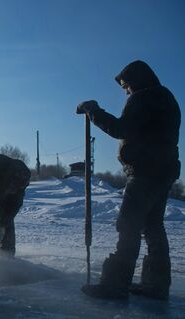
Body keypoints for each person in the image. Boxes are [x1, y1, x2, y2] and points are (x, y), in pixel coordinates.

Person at [77, 60, 180, 300]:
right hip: (163, 171)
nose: (126, 91)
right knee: (153, 225)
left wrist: (94, 111)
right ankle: (156, 284)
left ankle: (114, 284)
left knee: (129, 224)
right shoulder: (166, 97)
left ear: (137, 81)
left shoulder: (144, 97)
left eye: (126, 86)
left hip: (145, 172)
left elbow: (121, 129)